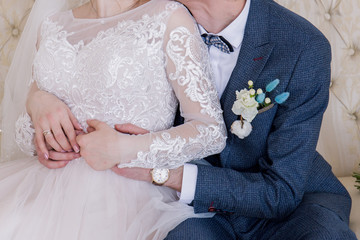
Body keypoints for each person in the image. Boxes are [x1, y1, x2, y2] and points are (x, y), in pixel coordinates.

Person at [17, 0, 357, 239]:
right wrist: (38, 99)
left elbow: (281, 191)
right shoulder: (152, 16)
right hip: (190, 209)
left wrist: (158, 170)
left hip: (286, 202)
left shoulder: (301, 45)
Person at [0, 0, 227, 239]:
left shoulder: (167, 17)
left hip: (132, 201)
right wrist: (38, 107)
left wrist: (124, 148)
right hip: (45, 190)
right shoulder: (52, 26)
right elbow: (25, 137)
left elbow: (210, 132)